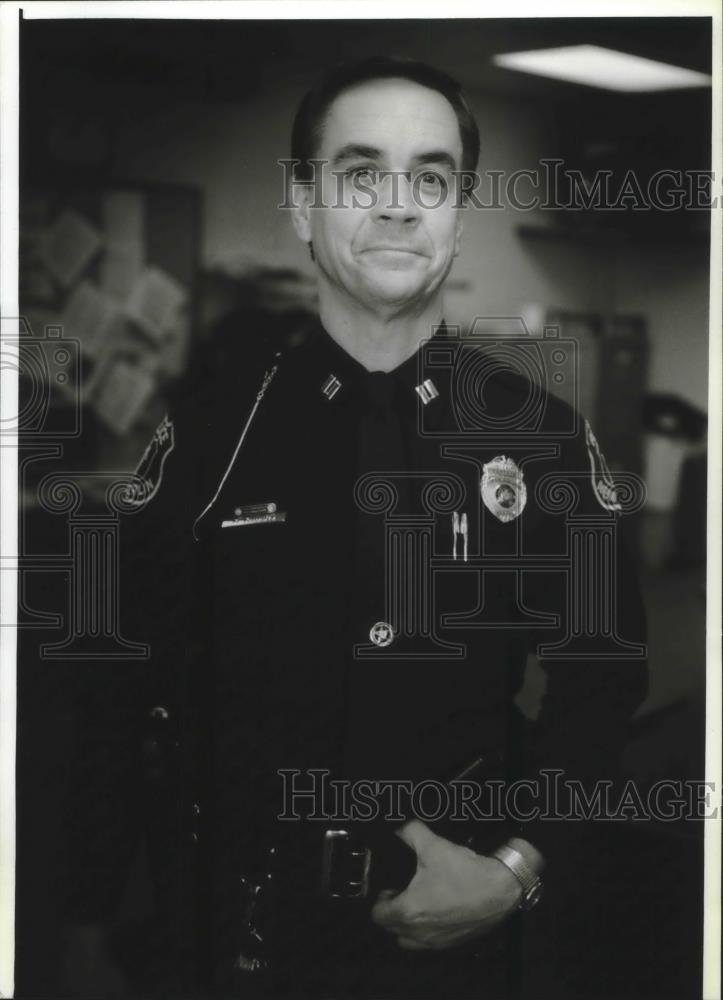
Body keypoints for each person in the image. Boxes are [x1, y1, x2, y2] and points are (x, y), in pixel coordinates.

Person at [63, 56, 648, 1000]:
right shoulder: (211, 433)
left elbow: (604, 687)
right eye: (360, 172)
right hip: (234, 935)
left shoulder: (540, 439)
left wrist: (515, 869)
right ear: (303, 204)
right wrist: (83, 922)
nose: (398, 205)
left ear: (458, 212)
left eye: (430, 178)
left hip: (454, 939)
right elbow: (112, 693)